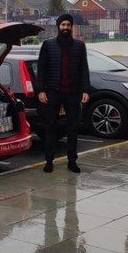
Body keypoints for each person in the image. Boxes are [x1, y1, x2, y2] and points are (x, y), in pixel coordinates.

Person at [36, 13, 90, 173]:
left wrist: (86, 89)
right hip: (53, 92)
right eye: (63, 25)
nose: (65, 28)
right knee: (51, 127)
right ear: (58, 27)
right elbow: (41, 69)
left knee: (72, 128)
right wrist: (40, 90)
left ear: (71, 27)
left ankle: (72, 161)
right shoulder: (48, 45)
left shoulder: (80, 46)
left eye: (68, 25)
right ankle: (49, 161)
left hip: (73, 93)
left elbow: (84, 69)